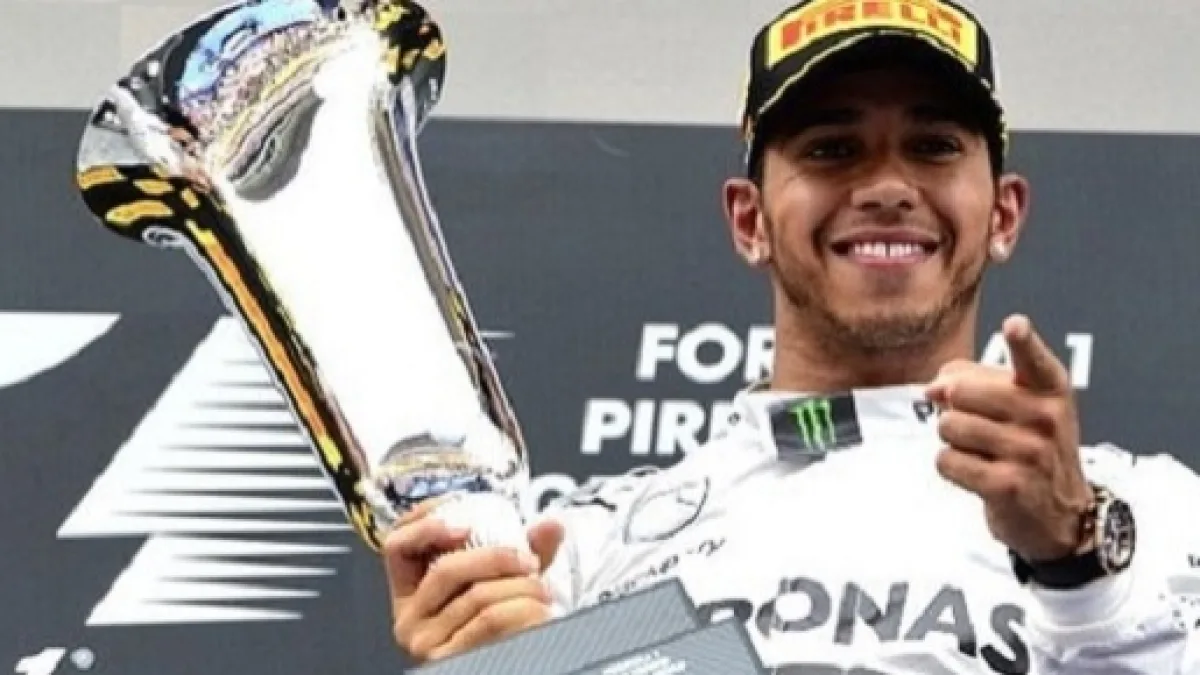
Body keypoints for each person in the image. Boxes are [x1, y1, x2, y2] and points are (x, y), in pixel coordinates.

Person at [382, 0, 1200, 672]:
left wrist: (1075, 563)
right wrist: (492, 667)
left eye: (933, 147)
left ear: (1004, 214)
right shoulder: (581, 554)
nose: (887, 186)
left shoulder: (1156, 515)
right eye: (833, 149)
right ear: (750, 221)